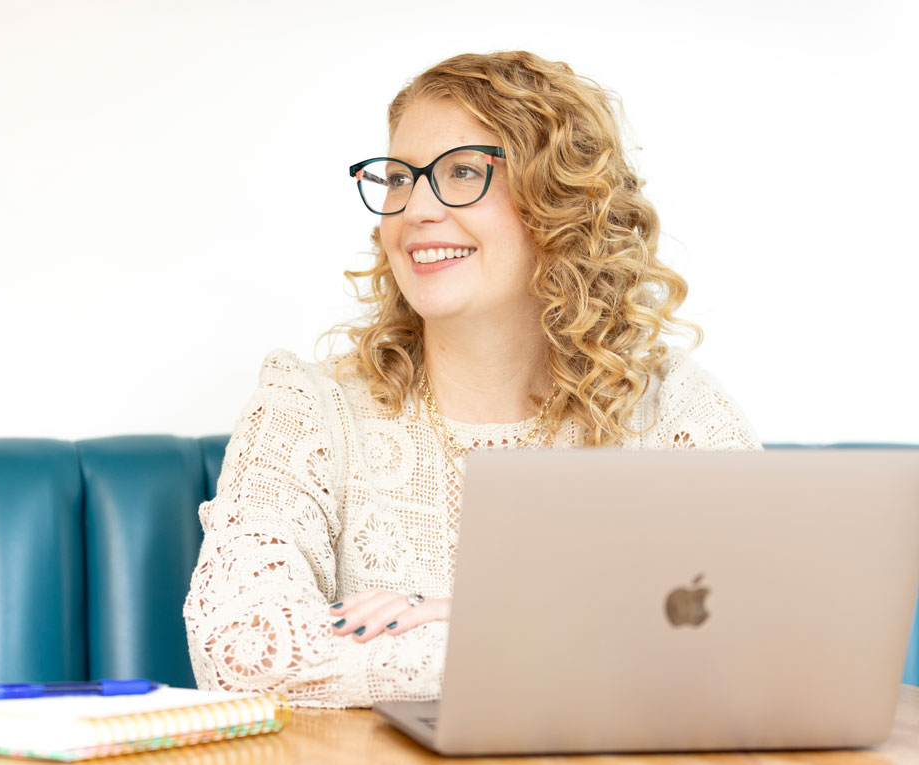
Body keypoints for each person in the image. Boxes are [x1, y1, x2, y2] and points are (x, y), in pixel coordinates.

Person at [182, 51, 759, 708]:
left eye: (462, 172)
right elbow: (242, 651)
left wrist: (477, 624)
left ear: (560, 201)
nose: (416, 209)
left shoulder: (675, 412)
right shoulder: (306, 408)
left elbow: (759, 638)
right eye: (400, 178)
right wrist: (537, 643)